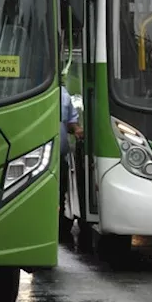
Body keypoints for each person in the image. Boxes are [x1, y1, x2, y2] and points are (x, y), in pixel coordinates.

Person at [58, 86, 82, 237]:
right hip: (36, 152)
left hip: (59, 155)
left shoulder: (62, 93)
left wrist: (77, 130)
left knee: (60, 192)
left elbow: (71, 123)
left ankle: (59, 226)